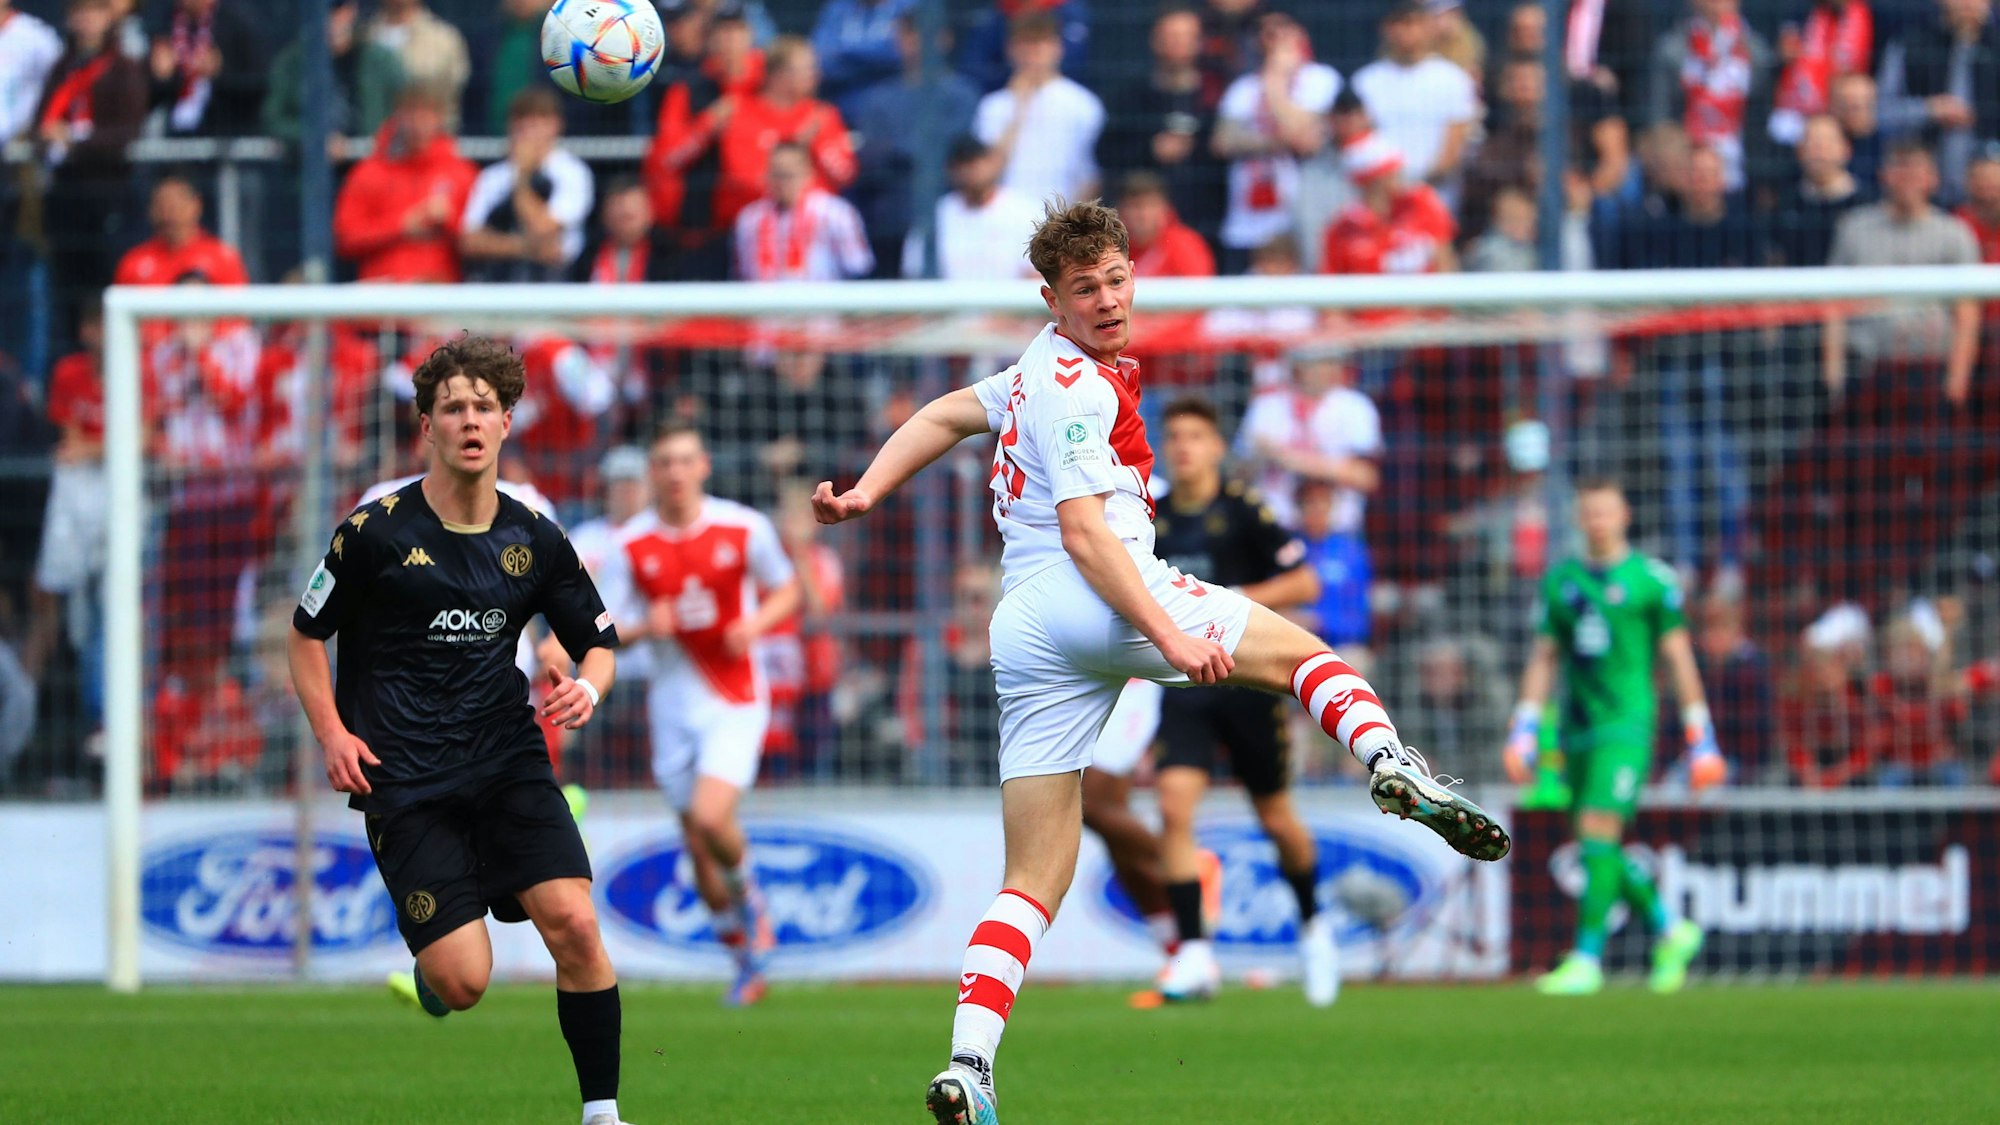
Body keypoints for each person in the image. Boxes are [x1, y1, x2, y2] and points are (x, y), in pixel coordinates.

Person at [810, 199, 1506, 1124]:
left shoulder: (1032, 366)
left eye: (1116, 279)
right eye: (1084, 288)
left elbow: (944, 414)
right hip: (1099, 591)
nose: (1106, 299)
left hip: (1022, 630)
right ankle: (1391, 764)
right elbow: (1087, 535)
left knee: (1034, 878)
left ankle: (968, 1063)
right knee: (1308, 658)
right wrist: (1170, 638)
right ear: (1051, 297)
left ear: (1130, 275)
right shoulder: (1078, 388)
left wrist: (866, 490)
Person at [286, 338, 630, 1125]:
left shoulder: (536, 538)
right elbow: (305, 634)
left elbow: (600, 641)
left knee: (576, 924)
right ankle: (456, 936)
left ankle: (603, 1113)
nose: (469, 420)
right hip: (405, 779)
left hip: (507, 758)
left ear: (507, 422)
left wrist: (587, 688)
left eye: (484, 407)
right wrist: (332, 733)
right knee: (464, 980)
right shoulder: (372, 532)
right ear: (427, 428)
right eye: (453, 408)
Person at [1108, 397, 1332, 1008]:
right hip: (1185, 685)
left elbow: (1306, 582)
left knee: (1276, 819)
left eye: (1195, 436)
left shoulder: (1243, 510)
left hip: (1250, 686)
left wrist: (1229, 601)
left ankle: (1314, 925)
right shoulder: (1147, 514)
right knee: (1174, 810)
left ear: (1215, 447)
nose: (1183, 447)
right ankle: (1196, 952)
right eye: (1174, 436)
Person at [598, 425, 802, 1006]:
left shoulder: (742, 527)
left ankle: (755, 912)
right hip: (671, 708)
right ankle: (744, 958)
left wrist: (755, 626)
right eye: (664, 462)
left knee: (713, 818)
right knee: (697, 845)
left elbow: (787, 590)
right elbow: (604, 628)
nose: (676, 472)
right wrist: (643, 627)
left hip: (735, 697)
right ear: (651, 473)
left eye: (685, 460)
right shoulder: (631, 544)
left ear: (703, 466)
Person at [1503, 478, 1721, 996]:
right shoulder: (1563, 581)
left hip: (1627, 725)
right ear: (1580, 518)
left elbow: (1678, 656)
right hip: (1575, 727)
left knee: (1598, 826)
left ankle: (1587, 958)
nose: (1598, 520)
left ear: (1625, 515)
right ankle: (1671, 929)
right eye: (1589, 512)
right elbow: (1544, 656)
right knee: (1595, 840)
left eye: (1606, 511)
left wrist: (1701, 735)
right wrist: (1525, 727)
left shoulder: (1651, 580)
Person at [848, 13, 980, 276]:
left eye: (924, 33)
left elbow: (954, 148)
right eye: (908, 34)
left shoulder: (963, 93)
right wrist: (919, 150)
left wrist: (901, 150)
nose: (916, 42)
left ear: (946, 40)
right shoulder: (877, 98)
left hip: (950, 218)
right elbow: (871, 157)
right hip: (888, 222)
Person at [1212, 11, 1338, 270]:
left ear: (1300, 34)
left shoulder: (1321, 79)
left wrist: (1275, 82)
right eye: (1265, 33)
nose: (1273, 39)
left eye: (1281, 29)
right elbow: (1223, 142)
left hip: (1301, 215)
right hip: (1248, 217)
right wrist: (1276, 141)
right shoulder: (1244, 87)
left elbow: (1305, 139)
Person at [1095, 5, 1228, 246]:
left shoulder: (1218, 96)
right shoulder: (1130, 98)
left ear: (1200, 42)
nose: (1177, 44)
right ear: (1155, 40)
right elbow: (1105, 153)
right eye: (1170, 36)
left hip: (1208, 222)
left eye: (1185, 37)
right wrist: (1150, 149)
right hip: (1138, 230)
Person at [333, 83, 477, 282]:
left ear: (440, 119)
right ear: (397, 117)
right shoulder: (368, 172)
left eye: (425, 116)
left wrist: (449, 222)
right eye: (410, 114)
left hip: (439, 294)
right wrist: (402, 225)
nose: (417, 124)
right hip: (380, 293)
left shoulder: (461, 172)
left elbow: (478, 240)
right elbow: (346, 237)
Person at [713, 35, 856, 232]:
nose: (814, 75)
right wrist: (795, 149)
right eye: (806, 68)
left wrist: (820, 144)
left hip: (815, 231)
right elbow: (742, 179)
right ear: (777, 74)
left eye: (813, 68)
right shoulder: (743, 113)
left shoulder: (822, 115)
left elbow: (845, 175)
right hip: (758, 230)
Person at [460, 88, 595, 284]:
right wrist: (527, 248)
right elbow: (469, 241)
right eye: (520, 124)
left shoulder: (572, 173)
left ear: (555, 125)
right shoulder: (492, 177)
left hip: (553, 284)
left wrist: (522, 177)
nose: (527, 132)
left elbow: (541, 228)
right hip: (498, 283)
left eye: (536, 123)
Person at [972, 11, 1105, 207]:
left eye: (1040, 44)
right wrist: (1019, 108)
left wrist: (1068, 224)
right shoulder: (992, 106)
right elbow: (985, 174)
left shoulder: (1083, 104)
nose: (1032, 53)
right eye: (1024, 44)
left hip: (1061, 221)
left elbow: (1091, 175)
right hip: (1005, 222)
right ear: (1010, 49)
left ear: (1058, 48)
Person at [1877, 0, 1997, 206]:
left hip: (1989, 190)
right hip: (1921, 191)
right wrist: (1927, 110)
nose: (1969, 4)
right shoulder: (1909, 44)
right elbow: (1879, 112)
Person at [1644, 0, 1774, 191]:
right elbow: (1659, 113)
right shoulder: (1672, 49)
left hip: (1742, 150)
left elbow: (1764, 111)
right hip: (1687, 148)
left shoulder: (1756, 50)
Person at [1351, 1, 1478, 192]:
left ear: (1429, 26)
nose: (1406, 31)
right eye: (1398, 23)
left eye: (1413, 22)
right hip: (1379, 197)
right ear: (1385, 28)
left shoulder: (1454, 79)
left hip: (1436, 196)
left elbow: (1453, 149)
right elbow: (1359, 141)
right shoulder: (1365, 82)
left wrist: (1416, 189)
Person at [261, 0, 403, 149]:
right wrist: (315, 137)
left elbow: (405, 114)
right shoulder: (291, 63)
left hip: (370, 164)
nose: (330, 18)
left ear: (352, 10)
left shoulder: (382, 61)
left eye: (337, 8)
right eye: (325, 9)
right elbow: (273, 119)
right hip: (308, 165)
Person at [731, 141, 874, 282]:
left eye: (790, 175)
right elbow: (740, 273)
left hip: (821, 300)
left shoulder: (836, 213)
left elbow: (858, 266)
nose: (783, 183)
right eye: (777, 174)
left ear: (809, 174)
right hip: (762, 302)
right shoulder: (749, 218)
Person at [905, 136, 1041, 280]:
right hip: (951, 301)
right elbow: (914, 270)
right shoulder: (939, 213)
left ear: (992, 163)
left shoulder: (1024, 212)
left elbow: (1038, 275)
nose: (970, 171)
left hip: (1011, 301)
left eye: (975, 162)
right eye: (962, 164)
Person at [144, 0, 264, 137]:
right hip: (172, 130)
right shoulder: (162, 19)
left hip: (223, 131)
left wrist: (223, 70)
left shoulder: (237, 20)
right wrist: (160, 76)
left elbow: (256, 81)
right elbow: (144, 95)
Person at [114, 174, 250, 288]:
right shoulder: (133, 262)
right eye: (161, 206)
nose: (167, 214)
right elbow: (117, 314)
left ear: (196, 205)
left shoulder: (223, 259)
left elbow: (237, 315)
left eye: (174, 206)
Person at [365, 0, 469, 130]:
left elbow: (451, 106)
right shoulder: (362, 37)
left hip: (428, 146)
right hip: (368, 145)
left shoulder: (444, 41)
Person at [1118, 171, 1216, 278]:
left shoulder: (1186, 245)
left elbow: (1198, 290)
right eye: (1135, 206)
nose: (1143, 215)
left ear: (1165, 208)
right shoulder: (1111, 247)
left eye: (1151, 205)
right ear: (1121, 210)